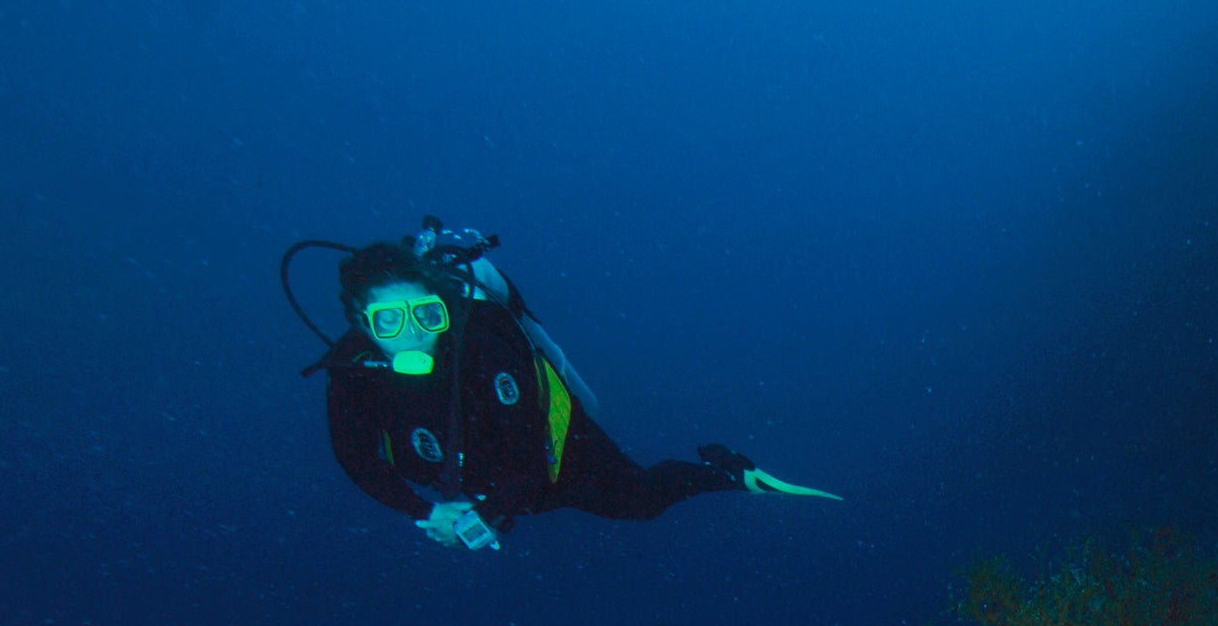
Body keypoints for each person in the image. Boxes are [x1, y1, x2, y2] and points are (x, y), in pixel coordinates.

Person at [287, 219, 836, 549]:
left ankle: (730, 472)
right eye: (388, 322)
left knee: (639, 501)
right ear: (360, 323)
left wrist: (482, 515)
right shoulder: (352, 368)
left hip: (553, 455)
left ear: (444, 308)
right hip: (473, 485)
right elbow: (355, 457)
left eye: (427, 315)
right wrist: (426, 512)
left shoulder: (483, 347)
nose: (413, 337)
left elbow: (530, 459)